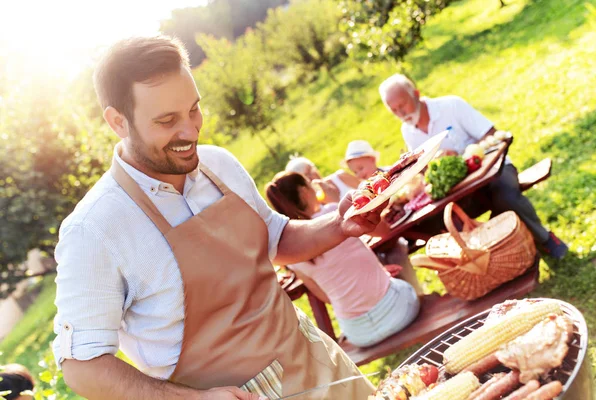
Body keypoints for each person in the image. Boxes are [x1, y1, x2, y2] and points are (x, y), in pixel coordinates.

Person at [51, 36, 382, 400]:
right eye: (167, 120)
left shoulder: (219, 165)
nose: (190, 131)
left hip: (321, 366)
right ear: (118, 121)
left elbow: (275, 238)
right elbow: (83, 367)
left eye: (194, 109)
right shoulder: (95, 230)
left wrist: (338, 225)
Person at [378, 74, 568, 259]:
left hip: (493, 169)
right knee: (438, 222)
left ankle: (544, 239)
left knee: (505, 195)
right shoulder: (408, 131)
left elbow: (492, 135)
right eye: (394, 110)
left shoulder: (451, 106)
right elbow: (426, 169)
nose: (401, 113)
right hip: (459, 190)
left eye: (402, 105)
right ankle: (496, 260)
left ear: (416, 94)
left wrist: (463, 157)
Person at [265, 172, 420, 347]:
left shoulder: (289, 253)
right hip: (399, 313)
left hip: (358, 333)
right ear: (304, 192)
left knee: (389, 280)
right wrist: (336, 200)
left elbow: (325, 296)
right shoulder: (332, 213)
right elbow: (384, 230)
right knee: (404, 284)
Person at [285, 156, 360, 204]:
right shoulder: (316, 205)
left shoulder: (340, 176)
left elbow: (366, 188)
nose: (311, 177)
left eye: (310, 170)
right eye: (306, 176)